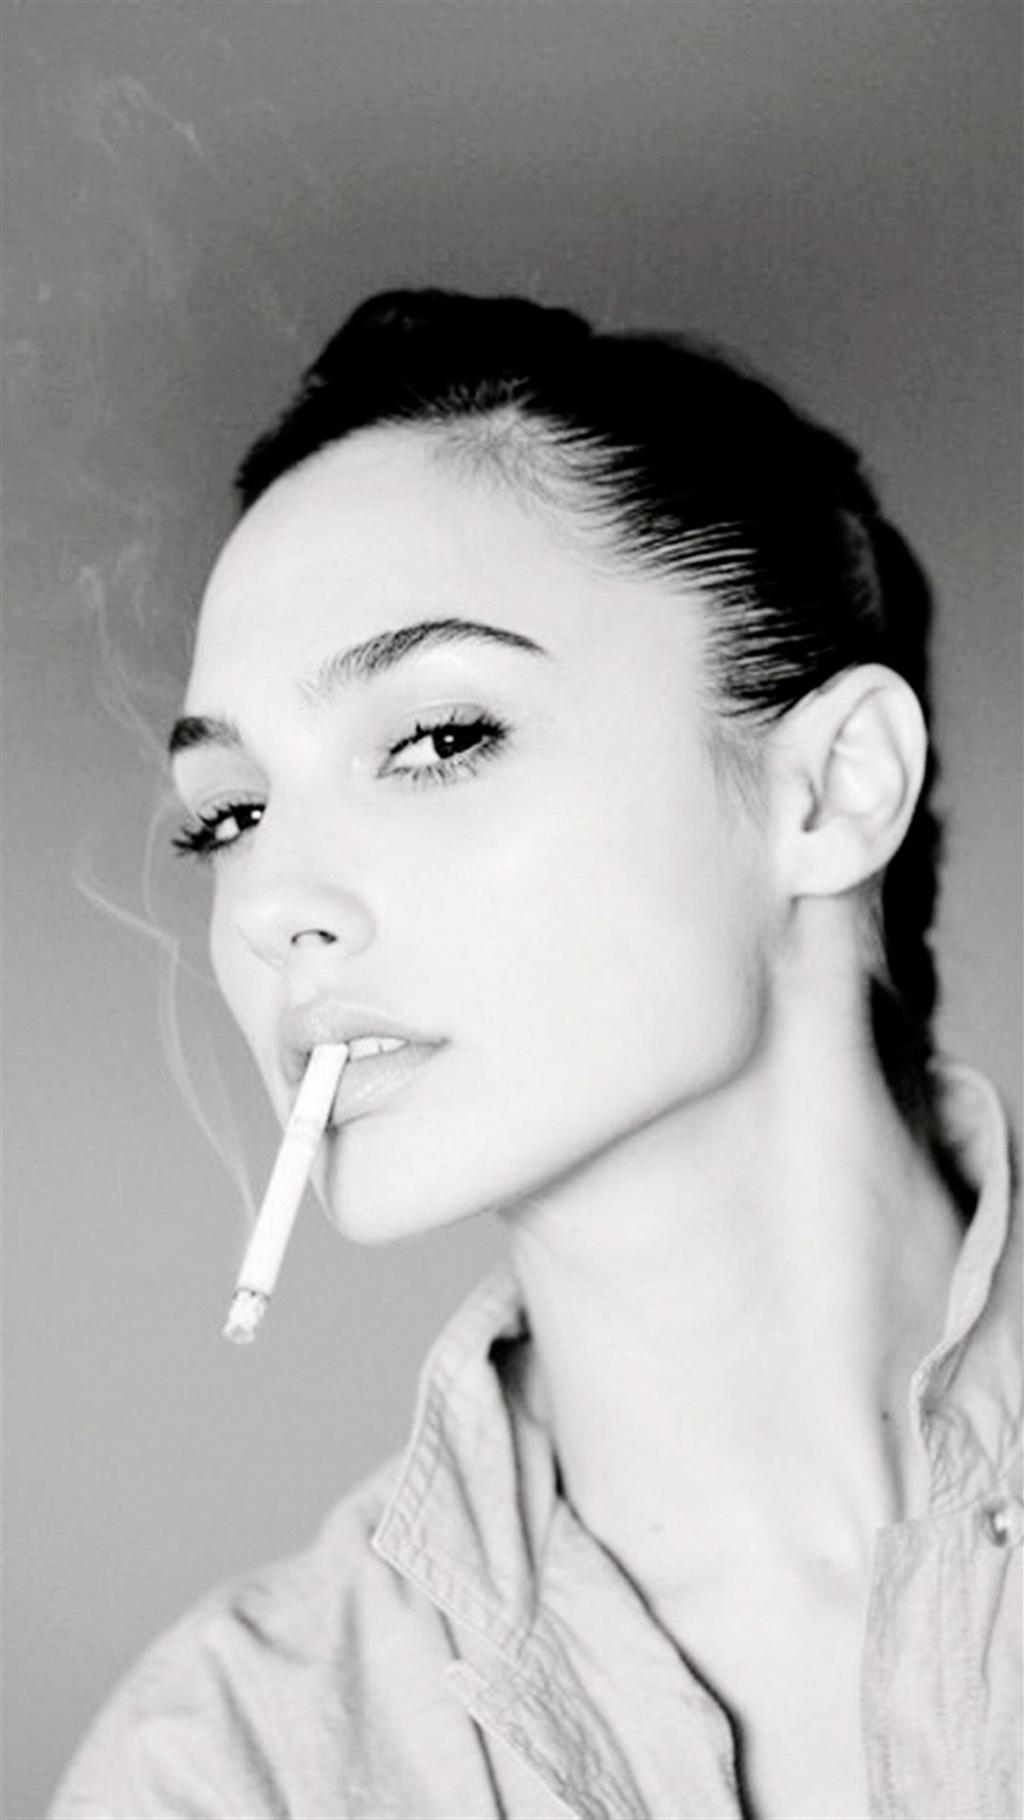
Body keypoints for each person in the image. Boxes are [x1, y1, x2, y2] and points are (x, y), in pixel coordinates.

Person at [51, 291, 1020, 1820]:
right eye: (229, 815)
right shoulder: (239, 1764)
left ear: (834, 790)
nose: (274, 900)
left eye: (439, 738)